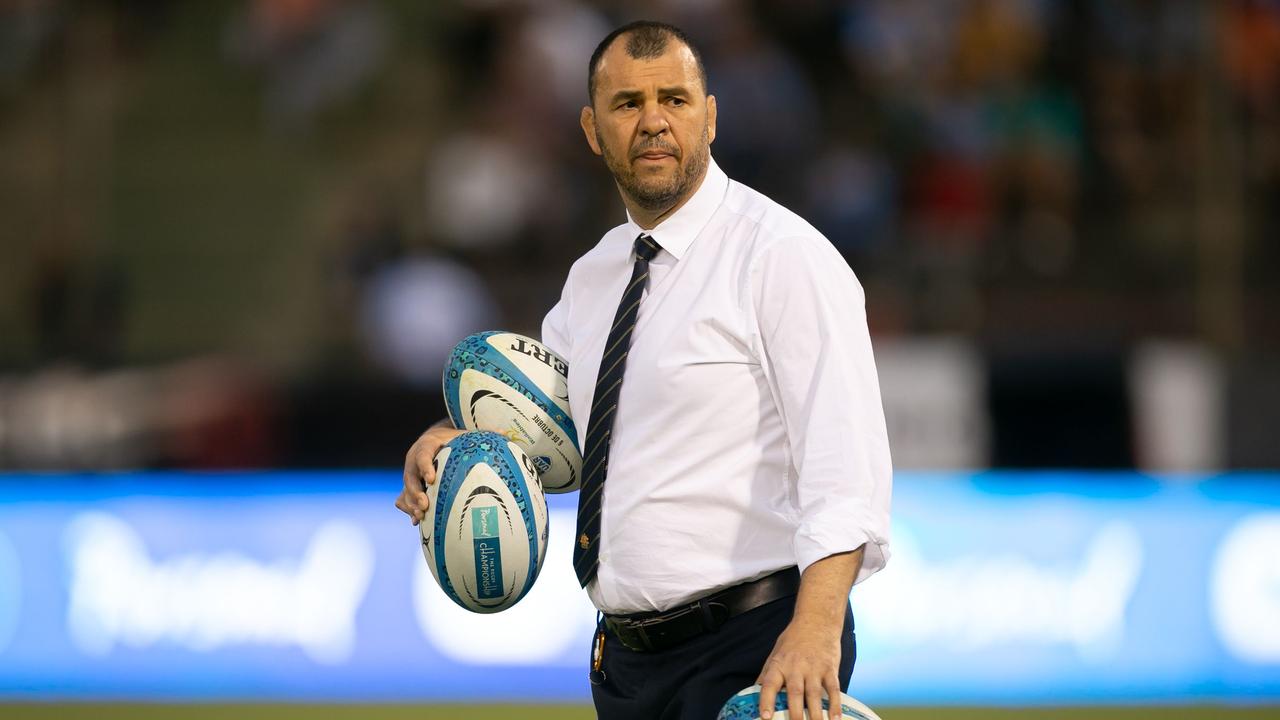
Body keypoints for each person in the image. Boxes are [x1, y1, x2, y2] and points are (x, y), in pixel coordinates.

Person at [396, 20, 892, 720]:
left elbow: (846, 469)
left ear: (710, 117)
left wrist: (814, 631)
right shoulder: (594, 276)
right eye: (628, 103)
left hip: (755, 645)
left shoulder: (782, 256)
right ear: (593, 129)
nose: (653, 121)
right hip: (626, 664)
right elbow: (556, 419)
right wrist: (451, 435)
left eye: (675, 100)